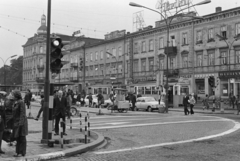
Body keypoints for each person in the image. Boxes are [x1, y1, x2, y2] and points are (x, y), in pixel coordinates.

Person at [12, 90, 28, 157]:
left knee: (22, 137)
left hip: (21, 123)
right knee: (17, 137)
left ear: (16, 96)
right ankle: (17, 152)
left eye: (13, 95)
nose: (12, 96)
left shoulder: (21, 102)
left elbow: (22, 113)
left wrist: (20, 124)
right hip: (16, 122)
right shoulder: (16, 102)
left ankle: (22, 152)